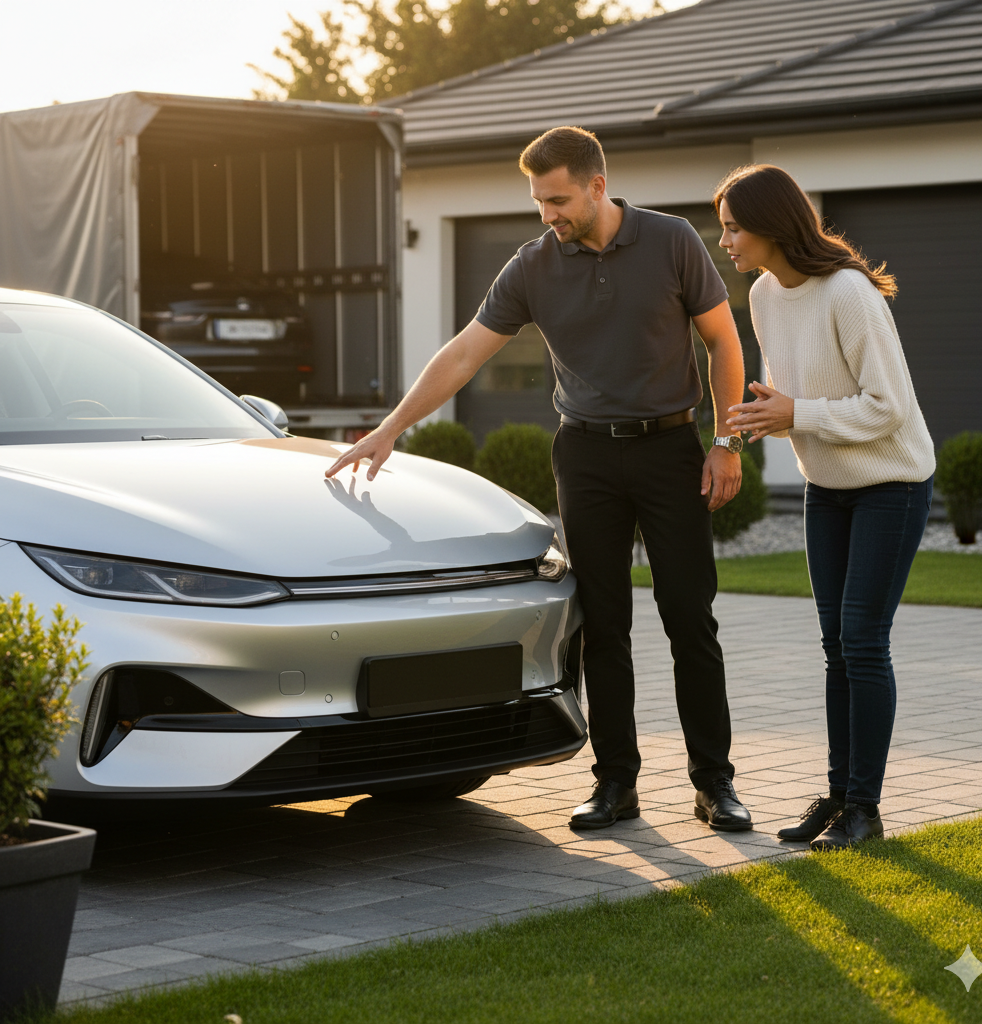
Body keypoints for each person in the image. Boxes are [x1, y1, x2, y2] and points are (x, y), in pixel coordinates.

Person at [326, 126, 753, 832]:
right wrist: (390, 426)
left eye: (557, 199)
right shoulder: (531, 267)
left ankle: (715, 784)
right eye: (538, 202)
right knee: (602, 626)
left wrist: (727, 440)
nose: (547, 215)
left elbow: (723, 340)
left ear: (596, 185)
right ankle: (616, 782)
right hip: (585, 456)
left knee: (690, 620)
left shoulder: (673, 241)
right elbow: (465, 353)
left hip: (671, 447)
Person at [718, 164, 935, 851]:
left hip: (890, 483)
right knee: (835, 646)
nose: (723, 238)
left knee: (863, 641)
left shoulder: (849, 294)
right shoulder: (762, 295)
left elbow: (888, 407)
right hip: (827, 487)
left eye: (733, 226)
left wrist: (797, 412)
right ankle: (840, 796)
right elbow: (795, 390)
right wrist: (770, 413)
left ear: (772, 226)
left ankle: (865, 811)